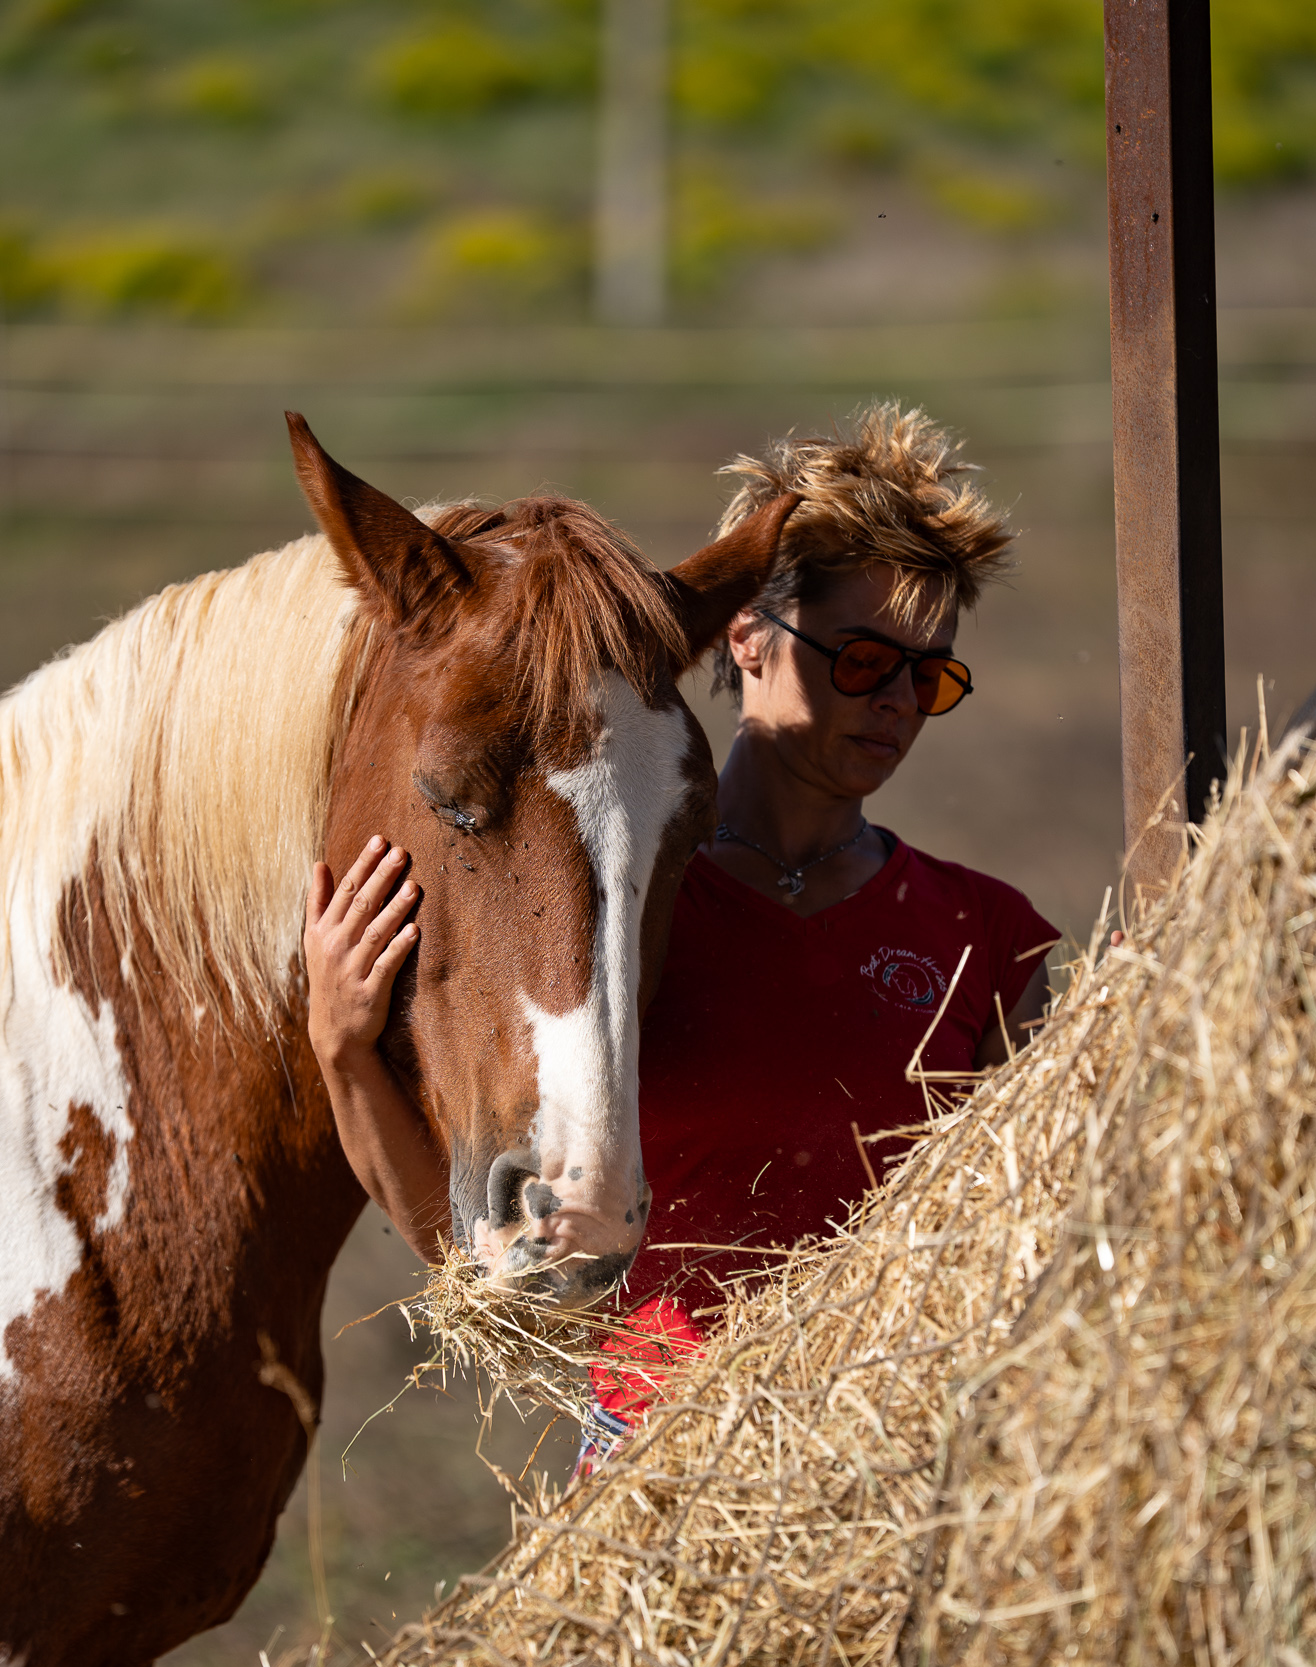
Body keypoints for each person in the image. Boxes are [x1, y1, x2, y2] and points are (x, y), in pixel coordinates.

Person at [305, 404, 1059, 1463]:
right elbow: (467, 1257)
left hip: (895, 1467)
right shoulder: (613, 919)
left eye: (927, 677)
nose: (894, 703)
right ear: (745, 631)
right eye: (859, 661)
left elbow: (1040, 1255)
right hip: (651, 1478)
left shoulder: (983, 935)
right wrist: (343, 1045)